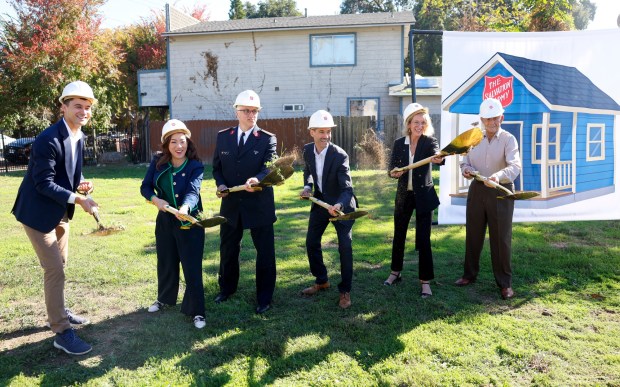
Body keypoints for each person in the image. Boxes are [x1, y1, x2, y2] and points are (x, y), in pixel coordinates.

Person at [12, 81, 99, 355]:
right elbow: (43, 183)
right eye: (77, 106)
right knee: (55, 270)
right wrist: (79, 199)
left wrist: (82, 184)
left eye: (87, 107)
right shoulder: (48, 139)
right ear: (63, 107)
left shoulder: (79, 136)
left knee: (60, 265)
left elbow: (72, 173)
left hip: (60, 212)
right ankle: (61, 331)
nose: (83, 112)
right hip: (37, 213)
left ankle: (58, 311)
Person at [212, 90, 277, 314]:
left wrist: (257, 179)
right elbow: (217, 168)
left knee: (265, 252)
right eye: (246, 111)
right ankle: (227, 289)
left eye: (255, 111)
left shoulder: (268, 139)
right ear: (237, 111)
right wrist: (220, 185)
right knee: (228, 248)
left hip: (259, 204)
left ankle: (264, 298)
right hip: (231, 205)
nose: (251, 115)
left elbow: (269, 167)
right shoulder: (224, 136)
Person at [140, 119, 207, 329]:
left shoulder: (196, 165)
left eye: (183, 141)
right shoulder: (158, 162)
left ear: (188, 142)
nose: (179, 146)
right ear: (166, 145)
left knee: (191, 265)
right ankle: (164, 299)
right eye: (174, 142)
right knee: (166, 261)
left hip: (189, 220)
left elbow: (193, 191)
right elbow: (145, 187)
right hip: (165, 220)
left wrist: (185, 208)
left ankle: (197, 311)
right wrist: (155, 200)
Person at [456, 98, 522, 300]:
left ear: (501, 117)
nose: (492, 122)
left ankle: (505, 283)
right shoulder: (473, 138)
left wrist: (497, 177)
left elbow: (515, 166)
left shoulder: (509, 139)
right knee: (473, 233)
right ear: (482, 120)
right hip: (477, 189)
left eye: (495, 118)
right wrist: (466, 169)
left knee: (501, 238)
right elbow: (464, 161)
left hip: (500, 190)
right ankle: (469, 275)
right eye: (488, 119)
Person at [384, 103, 444, 298]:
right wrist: (394, 173)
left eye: (423, 122)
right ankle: (395, 272)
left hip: (423, 196)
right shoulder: (399, 143)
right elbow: (391, 169)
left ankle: (425, 281)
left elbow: (439, 157)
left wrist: (438, 159)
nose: (420, 125)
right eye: (416, 122)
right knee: (399, 234)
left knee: (424, 239)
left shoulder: (429, 142)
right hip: (404, 196)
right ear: (409, 124)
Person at [299, 110, 358, 309]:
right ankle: (322, 280)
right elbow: (308, 171)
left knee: (345, 247)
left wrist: (339, 205)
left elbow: (347, 188)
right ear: (312, 133)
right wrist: (308, 186)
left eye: (328, 131)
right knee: (311, 242)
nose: (325, 136)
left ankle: (345, 291)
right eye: (321, 132)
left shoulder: (340, 155)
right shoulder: (307, 150)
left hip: (342, 206)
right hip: (321, 202)